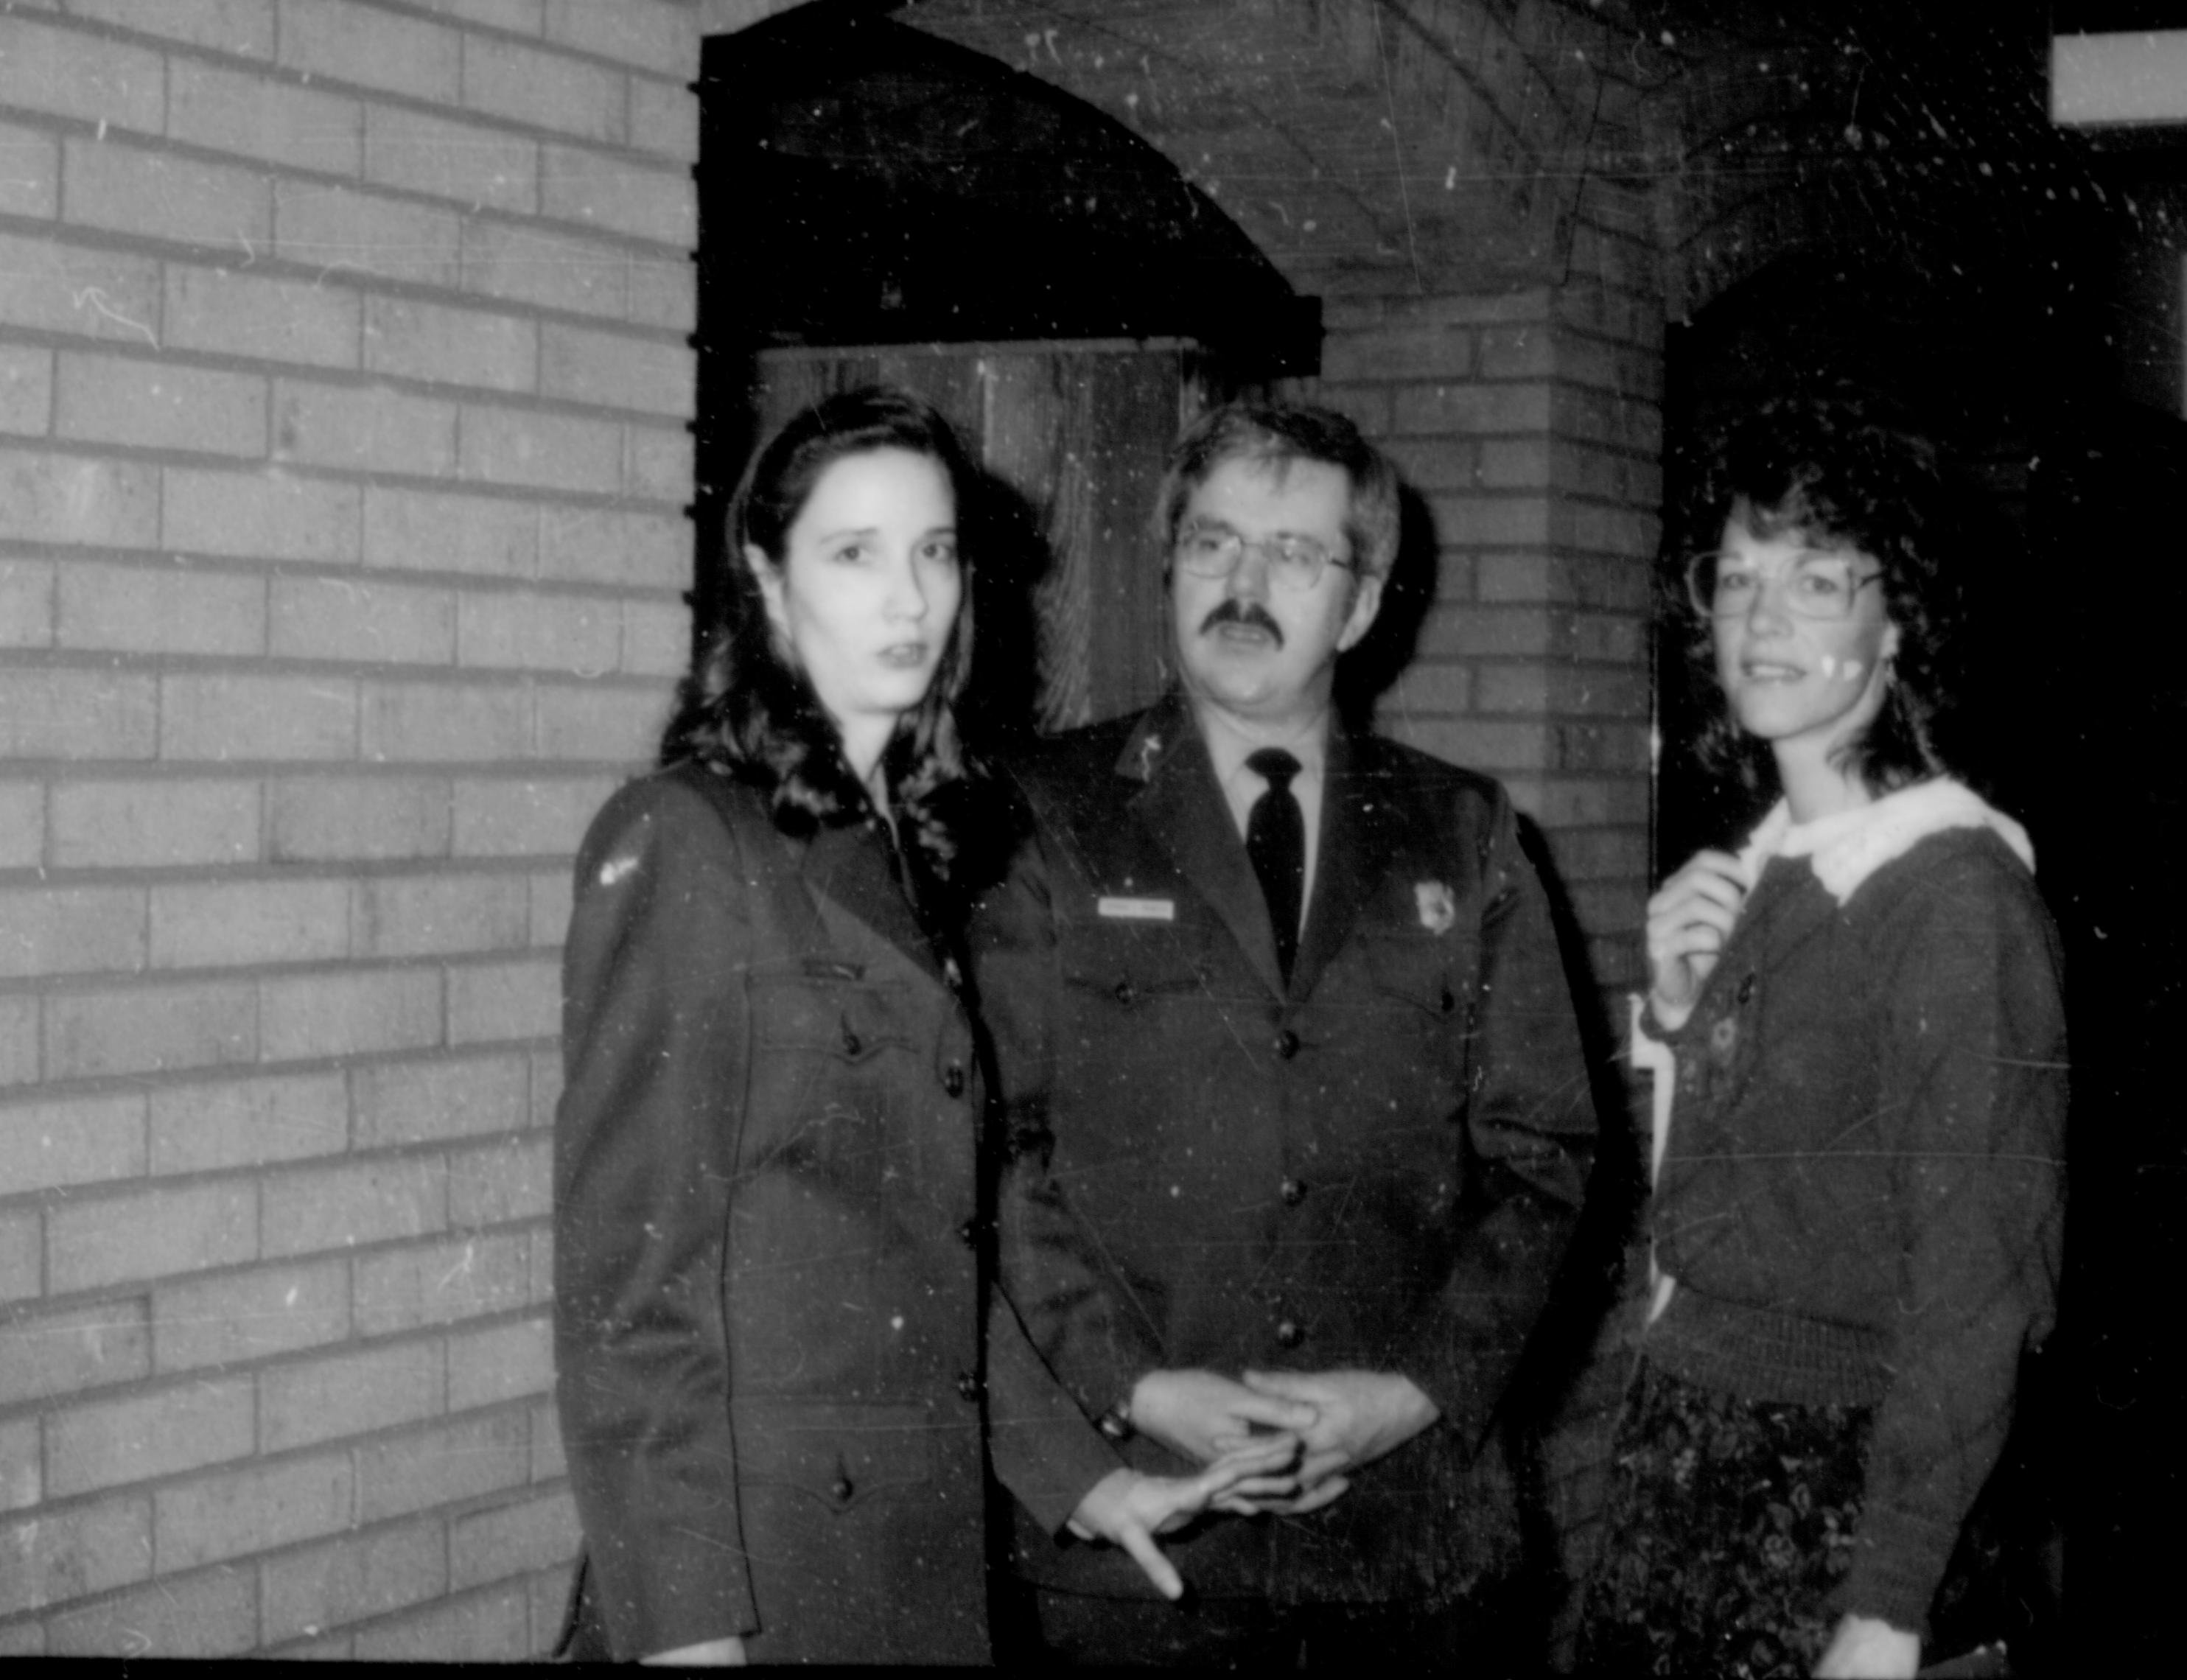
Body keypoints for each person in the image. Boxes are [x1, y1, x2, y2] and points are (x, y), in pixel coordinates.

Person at [547, 388, 1274, 1665]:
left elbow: (921, 1247)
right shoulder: (691, 839)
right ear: (768, 587)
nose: (909, 597)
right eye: (854, 553)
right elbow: (633, 1303)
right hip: (759, 1580)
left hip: (911, 1553)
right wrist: (688, 1637)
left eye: (934, 552)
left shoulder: (909, 846)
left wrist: (1083, 1482)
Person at [971, 401, 1598, 1666]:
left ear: (1360, 608)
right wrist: (1136, 1389)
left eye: (1295, 556)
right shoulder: (1042, 815)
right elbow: (995, 1148)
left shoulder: (1466, 833)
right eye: (1213, 544)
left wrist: (1408, 1393)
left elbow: (1545, 1158)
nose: (1244, 586)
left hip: (1413, 1535)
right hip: (1142, 1541)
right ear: (1169, 567)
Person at [1569, 398, 2067, 1679]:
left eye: (1817, 580)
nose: (1762, 618)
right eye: (1737, 578)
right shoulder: (1766, 869)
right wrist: (1679, 1023)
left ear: (1896, 624)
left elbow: (1981, 1280)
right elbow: (1742, 1195)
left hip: (1838, 1486)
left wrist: (1891, 1604)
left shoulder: (1954, 897)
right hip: (1693, 1451)